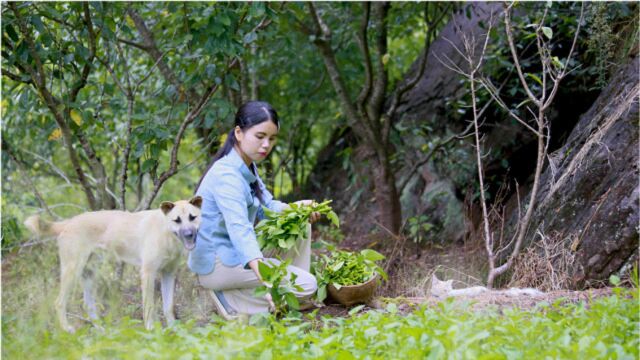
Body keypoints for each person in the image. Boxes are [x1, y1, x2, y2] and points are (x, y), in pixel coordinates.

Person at [188, 100, 319, 319]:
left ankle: (281, 298)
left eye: (272, 138)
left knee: (300, 222)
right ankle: (232, 300)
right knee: (308, 284)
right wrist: (268, 278)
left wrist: (298, 209)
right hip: (218, 263)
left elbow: (268, 207)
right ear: (238, 133)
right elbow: (240, 231)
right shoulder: (227, 176)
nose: (266, 144)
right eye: (260, 137)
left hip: (234, 253)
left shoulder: (247, 165)